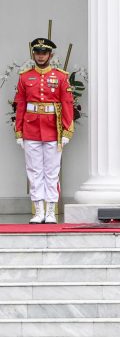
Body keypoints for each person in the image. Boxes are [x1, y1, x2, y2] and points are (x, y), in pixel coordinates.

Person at [13, 37, 75, 224]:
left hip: (52, 130)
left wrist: (66, 131)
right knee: (33, 171)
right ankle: (38, 211)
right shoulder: (24, 77)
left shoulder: (61, 76)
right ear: (33, 54)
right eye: (38, 53)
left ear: (51, 55)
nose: (41, 56)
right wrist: (19, 132)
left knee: (51, 171)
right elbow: (20, 105)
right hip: (31, 129)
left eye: (44, 53)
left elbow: (67, 104)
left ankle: (50, 212)